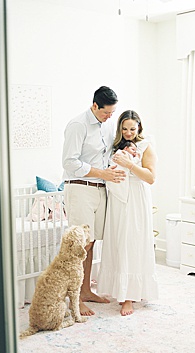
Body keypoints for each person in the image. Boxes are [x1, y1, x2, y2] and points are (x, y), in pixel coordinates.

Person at [61, 85, 127, 316]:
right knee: (81, 245)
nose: (110, 117)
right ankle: (75, 298)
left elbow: (106, 155)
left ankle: (86, 290)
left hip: (101, 189)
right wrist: (102, 173)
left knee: (92, 243)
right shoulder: (78, 125)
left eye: (112, 113)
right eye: (106, 112)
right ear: (95, 105)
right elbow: (69, 163)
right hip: (80, 189)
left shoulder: (106, 126)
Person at [96, 110, 159, 316]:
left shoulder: (145, 147)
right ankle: (119, 289)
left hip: (135, 196)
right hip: (117, 196)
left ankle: (129, 297)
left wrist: (130, 165)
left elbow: (150, 178)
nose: (128, 132)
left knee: (131, 242)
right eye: (124, 129)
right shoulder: (115, 146)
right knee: (117, 240)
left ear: (139, 127)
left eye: (132, 128)